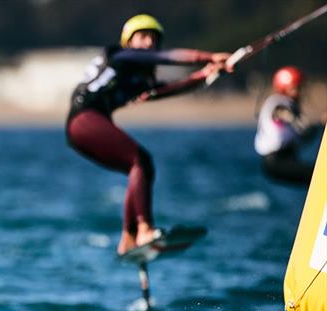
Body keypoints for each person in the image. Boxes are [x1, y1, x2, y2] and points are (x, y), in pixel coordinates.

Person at [65, 14, 231, 255]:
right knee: (139, 160)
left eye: (153, 39)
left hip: (85, 127)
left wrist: (206, 74)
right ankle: (145, 229)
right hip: (83, 120)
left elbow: (168, 89)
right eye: (142, 37)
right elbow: (167, 57)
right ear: (129, 42)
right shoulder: (120, 56)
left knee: (141, 167)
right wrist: (209, 56)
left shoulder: (136, 79)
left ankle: (128, 239)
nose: (148, 43)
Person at [254, 66, 324, 185]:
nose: (301, 92)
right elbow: (302, 128)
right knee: (320, 176)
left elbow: (304, 136)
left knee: (316, 176)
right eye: (297, 88)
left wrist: (319, 126)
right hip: (276, 162)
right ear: (285, 88)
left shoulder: (284, 105)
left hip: (282, 160)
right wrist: (320, 123)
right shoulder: (279, 105)